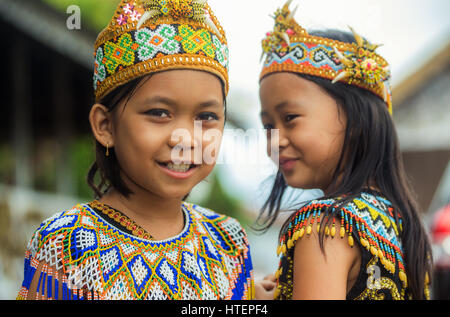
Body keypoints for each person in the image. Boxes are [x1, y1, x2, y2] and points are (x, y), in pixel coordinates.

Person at [17, 0, 253, 300]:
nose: (185, 139)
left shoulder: (229, 240)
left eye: (206, 117)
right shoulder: (66, 243)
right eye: (158, 113)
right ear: (105, 125)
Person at [254, 0, 432, 300]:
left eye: (289, 119)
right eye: (267, 126)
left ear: (356, 119)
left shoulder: (325, 225)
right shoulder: (401, 224)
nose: (276, 140)